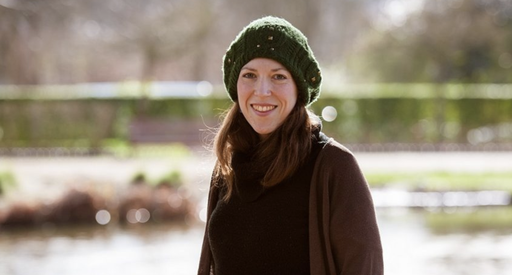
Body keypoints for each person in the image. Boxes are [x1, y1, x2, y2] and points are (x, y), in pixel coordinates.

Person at [198, 16, 383, 275]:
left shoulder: (334, 166)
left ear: (299, 88)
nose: (262, 90)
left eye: (278, 77)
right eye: (249, 75)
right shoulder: (227, 167)